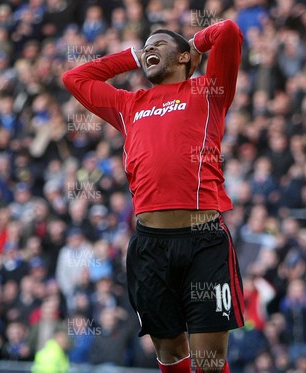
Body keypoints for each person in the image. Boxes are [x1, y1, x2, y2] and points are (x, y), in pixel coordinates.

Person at [62, 19, 244, 373]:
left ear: (184, 59)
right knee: (170, 353)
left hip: (203, 242)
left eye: (159, 45)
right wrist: (131, 56)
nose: (149, 50)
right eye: (146, 46)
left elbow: (229, 32)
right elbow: (75, 79)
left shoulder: (210, 91)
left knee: (210, 361)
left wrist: (195, 41)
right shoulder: (129, 105)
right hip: (150, 245)